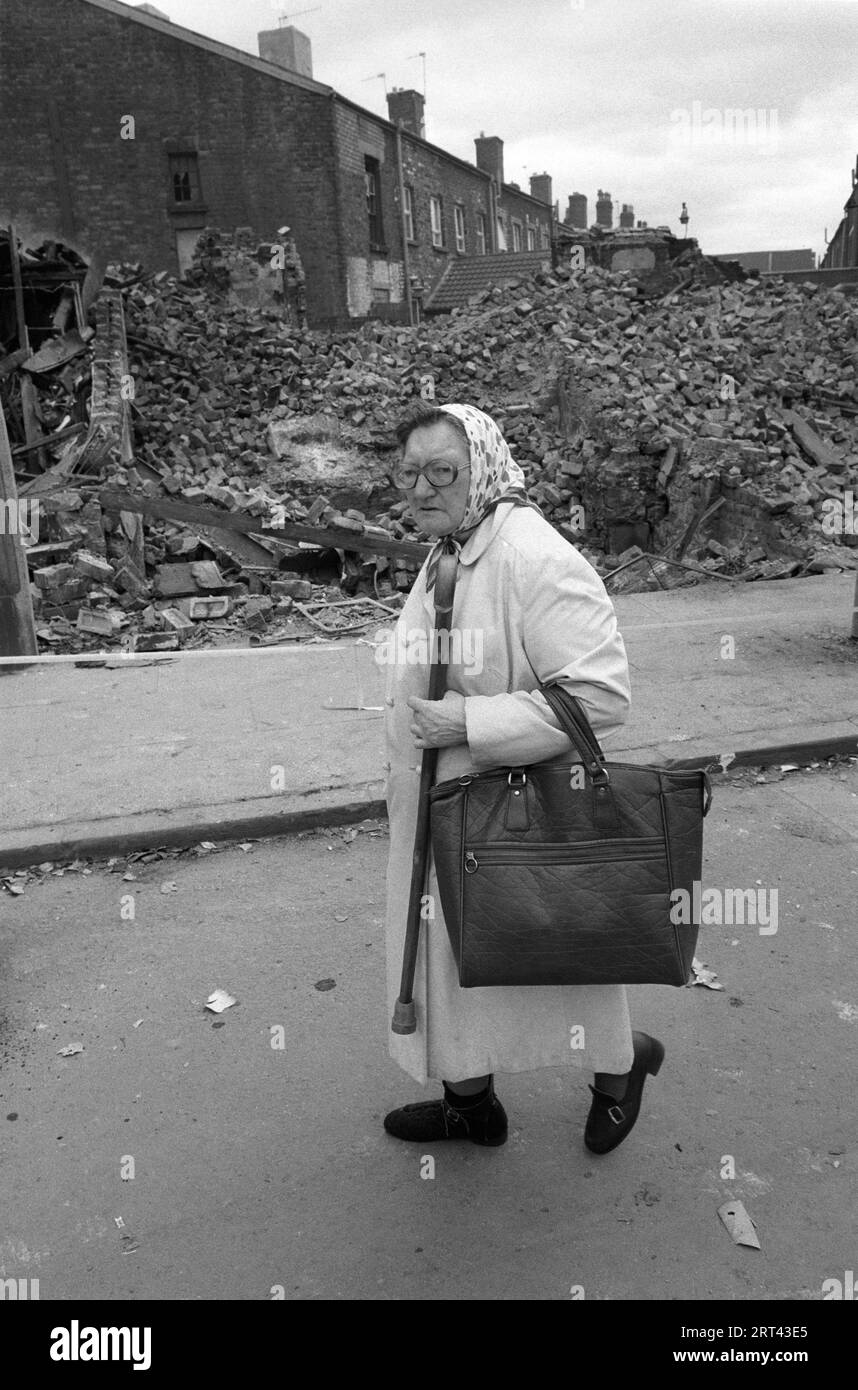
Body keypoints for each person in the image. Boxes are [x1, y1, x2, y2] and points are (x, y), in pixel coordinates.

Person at [378, 400, 664, 1154]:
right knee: (448, 962)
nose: (422, 488)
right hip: (445, 806)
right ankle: (470, 1104)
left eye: (442, 471)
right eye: (409, 474)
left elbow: (602, 694)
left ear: (483, 467)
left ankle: (622, 1067)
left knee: (558, 953)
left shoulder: (533, 556)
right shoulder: (454, 546)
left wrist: (469, 724)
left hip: (507, 807)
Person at [276, 225, 307, 330]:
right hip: (290, 282)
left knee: (295, 305)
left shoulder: (288, 250)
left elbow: (294, 266)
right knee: (293, 305)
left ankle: (297, 325)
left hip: (293, 283)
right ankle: (296, 325)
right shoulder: (282, 249)